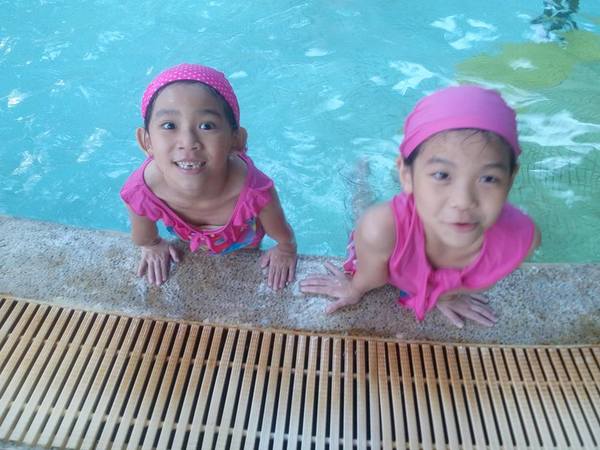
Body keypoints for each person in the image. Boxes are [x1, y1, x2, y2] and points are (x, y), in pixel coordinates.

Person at [301, 85, 541, 328]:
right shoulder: (380, 229)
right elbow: (371, 277)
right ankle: (360, 181)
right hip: (389, 240)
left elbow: (466, 277)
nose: (463, 201)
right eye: (442, 175)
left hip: (416, 225)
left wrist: (445, 295)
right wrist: (354, 289)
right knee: (362, 212)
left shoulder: (517, 241)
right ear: (406, 174)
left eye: (488, 178)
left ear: (510, 179)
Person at [121, 63, 297, 289]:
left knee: (246, 253)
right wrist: (153, 245)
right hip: (188, 238)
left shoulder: (254, 192)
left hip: (243, 239)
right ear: (146, 141)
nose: (188, 142)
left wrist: (285, 250)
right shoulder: (143, 190)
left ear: (236, 140)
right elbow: (143, 238)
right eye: (169, 125)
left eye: (206, 126)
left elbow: (284, 237)